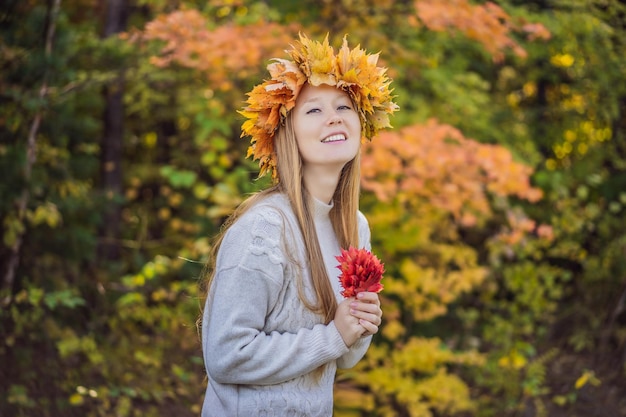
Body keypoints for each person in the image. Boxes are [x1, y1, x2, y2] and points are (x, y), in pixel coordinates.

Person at [200, 33, 398, 417]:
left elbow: (343, 359)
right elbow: (225, 355)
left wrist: (358, 326)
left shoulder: (355, 228)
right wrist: (332, 336)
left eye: (344, 105)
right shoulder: (264, 230)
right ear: (286, 135)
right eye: (314, 110)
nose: (335, 117)